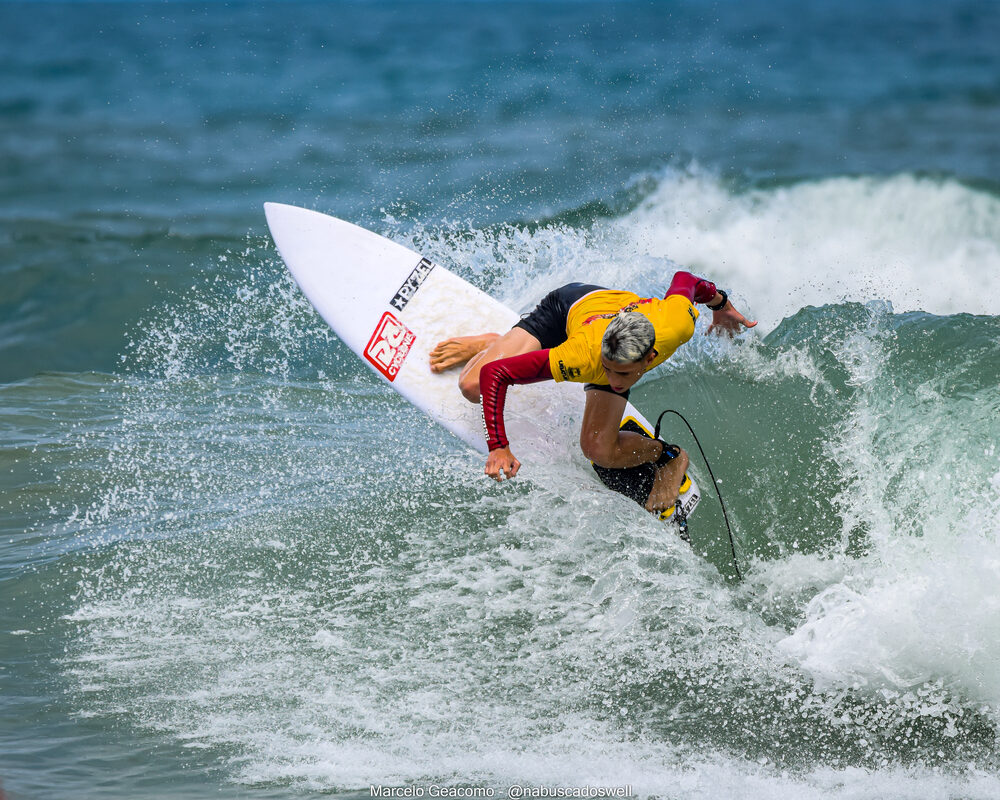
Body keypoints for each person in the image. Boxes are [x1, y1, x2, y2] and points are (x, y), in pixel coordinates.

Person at [429, 272, 756, 515]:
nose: (612, 380)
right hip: (569, 308)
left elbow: (687, 280)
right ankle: (494, 342)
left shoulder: (676, 324)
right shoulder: (582, 356)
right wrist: (498, 446)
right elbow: (494, 374)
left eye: (623, 374)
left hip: (616, 328)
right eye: (608, 369)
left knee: (598, 449)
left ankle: (669, 456)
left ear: (650, 358)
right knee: (471, 387)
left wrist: (720, 303)